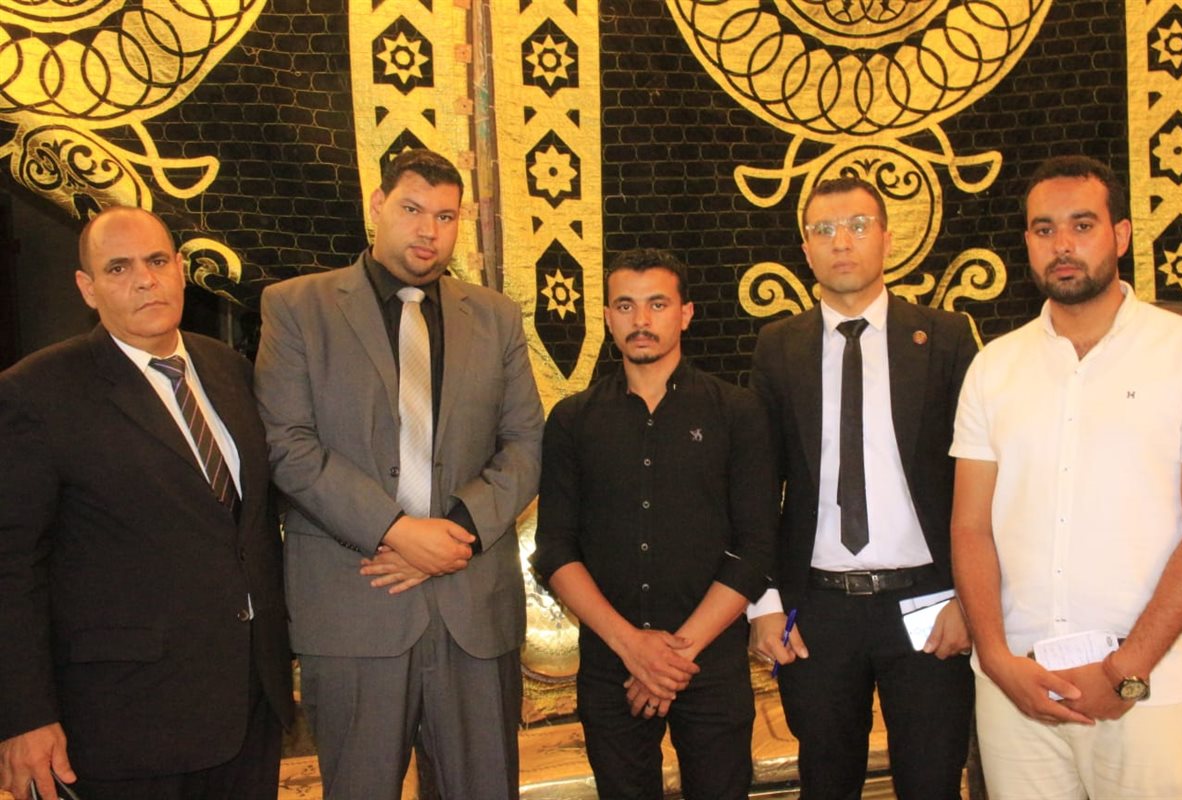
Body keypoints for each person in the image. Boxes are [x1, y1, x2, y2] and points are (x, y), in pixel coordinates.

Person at [254, 148, 543, 800]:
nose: (428, 231)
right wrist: (397, 531)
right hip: (356, 603)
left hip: (472, 608)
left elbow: (525, 443)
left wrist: (453, 535)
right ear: (378, 205)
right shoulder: (297, 307)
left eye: (445, 216)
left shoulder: (495, 316)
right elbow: (286, 444)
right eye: (412, 209)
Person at [0, 206, 293, 800]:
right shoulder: (36, 393)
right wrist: (24, 716)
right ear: (87, 288)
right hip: (124, 720)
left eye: (158, 261)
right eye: (119, 268)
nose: (145, 280)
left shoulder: (230, 370)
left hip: (247, 703)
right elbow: (11, 567)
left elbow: (249, 526)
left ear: (181, 269)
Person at [950, 155, 1182, 798]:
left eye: (1081, 225)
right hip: (1018, 688)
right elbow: (971, 528)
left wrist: (1128, 669)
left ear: (1120, 235)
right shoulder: (993, 367)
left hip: (1150, 688)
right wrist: (997, 660)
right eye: (1044, 229)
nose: (1062, 244)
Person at [747, 177, 977, 799]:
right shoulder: (778, 346)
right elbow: (757, 485)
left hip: (930, 601)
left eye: (856, 226)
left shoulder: (946, 336)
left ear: (886, 239)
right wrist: (764, 604)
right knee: (826, 783)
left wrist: (971, 599)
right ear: (805, 248)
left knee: (932, 783)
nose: (840, 242)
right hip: (818, 609)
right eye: (823, 230)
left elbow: (979, 479)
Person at [532, 248, 777, 799]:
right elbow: (555, 549)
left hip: (709, 663)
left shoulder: (737, 412)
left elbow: (756, 547)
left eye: (657, 304)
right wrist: (632, 648)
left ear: (685, 314)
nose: (641, 320)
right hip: (611, 665)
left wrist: (673, 658)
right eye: (626, 305)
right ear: (607, 317)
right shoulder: (572, 420)